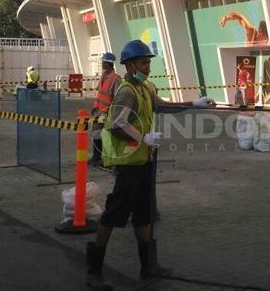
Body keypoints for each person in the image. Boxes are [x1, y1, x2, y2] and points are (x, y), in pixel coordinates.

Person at [85, 40, 215, 289]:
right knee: (113, 215)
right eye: (144, 62)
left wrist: (193, 104)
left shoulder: (144, 88)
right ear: (131, 64)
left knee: (144, 214)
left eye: (149, 62)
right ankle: (94, 271)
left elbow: (162, 106)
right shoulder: (126, 91)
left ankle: (148, 268)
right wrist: (143, 137)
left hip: (144, 161)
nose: (148, 66)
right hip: (128, 163)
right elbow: (116, 124)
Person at [89, 53, 122, 167]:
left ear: (108, 64)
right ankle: (96, 157)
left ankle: (107, 160)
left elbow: (118, 98)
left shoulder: (116, 79)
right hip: (99, 111)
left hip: (107, 113)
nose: (101, 64)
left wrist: (113, 114)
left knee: (108, 137)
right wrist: (94, 106)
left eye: (103, 62)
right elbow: (100, 93)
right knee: (96, 133)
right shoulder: (103, 76)